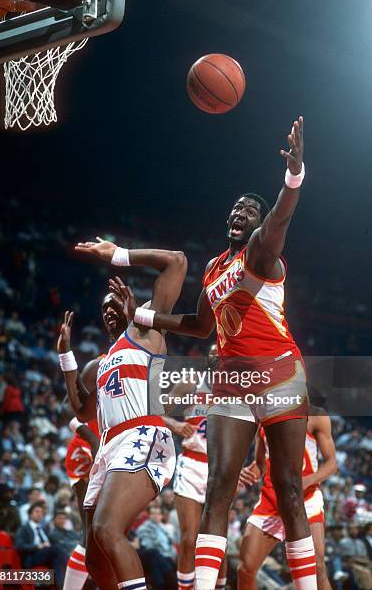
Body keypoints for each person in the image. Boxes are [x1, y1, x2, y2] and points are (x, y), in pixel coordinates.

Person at [128, 117, 315, 590]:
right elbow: (197, 326)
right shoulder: (213, 269)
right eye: (235, 209)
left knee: (289, 488)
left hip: (279, 374)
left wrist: (293, 177)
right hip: (231, 381)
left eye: (248, 211)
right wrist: (144, 316)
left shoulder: (260, 252)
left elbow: (280, 217)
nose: (240, 213)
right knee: (218, 488)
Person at [59, 241, 187, 590]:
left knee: (106, 529)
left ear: (128, 301)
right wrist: (66, 359)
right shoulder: (102, 362)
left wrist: (119, 255)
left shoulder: (145, 328)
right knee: (95, 556)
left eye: (114, 301)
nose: (109, 310)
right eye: (104, 308)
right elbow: (82, 410)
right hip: (108, 446)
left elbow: (176, 260)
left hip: (143, 435)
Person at [237, 411, 336, 589]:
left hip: (304, 499)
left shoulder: (316, 416)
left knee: (317, 568)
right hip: (271, 500)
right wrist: (250, 472)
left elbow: (332, 463)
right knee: (246, 568)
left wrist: (307, 481)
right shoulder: (264, 417)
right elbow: (261, 464)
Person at [165, 343, 227, 590]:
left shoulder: (237, 390)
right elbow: (156, 411)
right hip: (191, 464)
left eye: (221, 353)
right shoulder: (192, 381)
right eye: (212, 353)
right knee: (189, 540)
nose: (216, 356)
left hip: (220, 470)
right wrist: (175, 425)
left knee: (216, 541)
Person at [63, 414, 100, 590]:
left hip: (103, 446)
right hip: (86, 453)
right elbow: (69, 414)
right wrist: (93, 440)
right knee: (90, 537)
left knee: (100, 539)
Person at [14, 501, 68, 589]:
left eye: (41, 512)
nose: (40, 514)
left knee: (57, 559)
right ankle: (72, 566)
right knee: (56, 549)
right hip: (32, 556)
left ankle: (61, 587)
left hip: (46, 555)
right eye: (37, 511)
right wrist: (38, 546)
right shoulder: (24, 528)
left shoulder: (43, 529)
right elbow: (19, 545)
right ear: (30, 514)